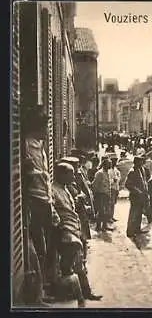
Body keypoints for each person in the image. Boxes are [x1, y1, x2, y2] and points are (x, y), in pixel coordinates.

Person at [22, 106, 60, 305]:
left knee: (47, 246)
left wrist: (51, 204)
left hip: (45, 200)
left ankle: (45, 285)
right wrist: (37, 174)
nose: (46, 129)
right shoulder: (27, 145)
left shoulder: (40, 146)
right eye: (44, 125)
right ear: (36, 126)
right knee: (39, 247)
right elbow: (27, 173)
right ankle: (38, 293)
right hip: (34, 201)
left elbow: (44, 178)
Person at [52, 162, 102, 307]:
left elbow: (67, 207)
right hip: (66, 232)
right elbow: (54, 212)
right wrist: (60, 226)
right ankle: (78, 297)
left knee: (79, 264)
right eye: (71, 174)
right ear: (62, 174)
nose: (73, 177)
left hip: (74, 229)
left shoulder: (64, 189)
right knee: (70, 266)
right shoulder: (54, 190)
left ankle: (85, 293)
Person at [125, 155, 150, 240]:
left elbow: (143, 181)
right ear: (136, 162)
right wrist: (137, 191)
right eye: (140, 161)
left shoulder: (141, 170)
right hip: (135, 196)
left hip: (142, 196)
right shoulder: (132, 171)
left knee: (139, 213)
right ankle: (130, 232)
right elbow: (127, 184)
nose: (142, 163)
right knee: (133, 214)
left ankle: (137, 229)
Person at [91, 156, 113, 232]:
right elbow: (94, 185)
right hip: (100, 194)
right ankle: (98, 226)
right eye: (108, 164)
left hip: (106, 194)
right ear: (104, 165)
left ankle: (104, 225)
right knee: (101, 211)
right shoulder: (100, 173)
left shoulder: (107, 173)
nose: (110, 166)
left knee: (106, 210)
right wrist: (96, 194)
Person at [108, 153, 121, 224]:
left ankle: (111, 216)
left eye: (115, 161)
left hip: (115, 188)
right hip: (111, 188)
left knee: (113, 203)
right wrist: (113, 180)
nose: (115, 162)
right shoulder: (109, 170)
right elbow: (107, 180)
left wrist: (117, 178)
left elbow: (119, 177)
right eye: (113, 161)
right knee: (110, 203)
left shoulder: (115, 169)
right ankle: (109, 217)